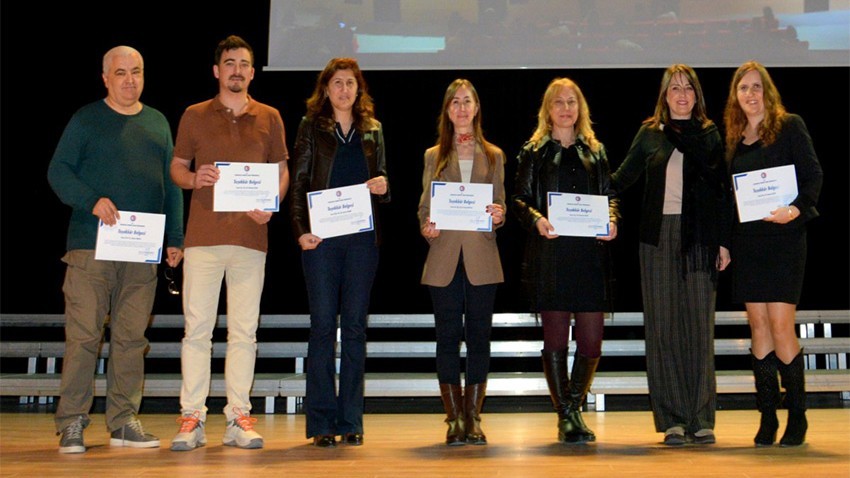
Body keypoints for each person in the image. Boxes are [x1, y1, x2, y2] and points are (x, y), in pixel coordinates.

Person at [47, 45, 184, 453]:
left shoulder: (158, 122)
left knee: (130, 339)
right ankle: (72, 422)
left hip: (141, 251)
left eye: (136, 71)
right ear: (105, 78)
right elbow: (58, 171)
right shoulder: (86, 119)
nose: (129, 79)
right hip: (91, 248)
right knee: (84, 336)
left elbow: (171, 183)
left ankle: (123, 420)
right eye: (121, 72)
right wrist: (91, 200)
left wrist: (175, 237)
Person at [168, 35, 290, 451]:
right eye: (229, 63)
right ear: (217, 70)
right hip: (202, 238)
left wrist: (272, 203)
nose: (237, 70)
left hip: (251, 239)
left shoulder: (270, 116)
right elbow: (176, 167)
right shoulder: (193, 114)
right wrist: (192, 178)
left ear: (252, 73)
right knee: (196, 332)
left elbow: (281, 170)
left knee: (243, 333)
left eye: (243, 64)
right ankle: (192, 417)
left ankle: (239, 416)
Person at [611, 64, 732, 446]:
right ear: (664, 95)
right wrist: (580, 199)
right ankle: (673, 420)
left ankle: (701, 417)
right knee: (662, 328)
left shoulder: (710, 135)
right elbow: (620, 179)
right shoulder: (650, 134)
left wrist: (724, 241)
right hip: (657, 237)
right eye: (674, 88)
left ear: (697, 95)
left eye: (688, 88)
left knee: (699, 327)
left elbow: (723, 192)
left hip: (700, 238)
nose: (682, 95)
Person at [511, 78, 619, 444]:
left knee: (592, 342)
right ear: (548, 109)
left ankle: (571, 407)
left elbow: (610, 195)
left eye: (572, 102)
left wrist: (612, 220)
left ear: (580, 108)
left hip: (589, 257)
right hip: (552, 257)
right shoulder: (534, 151)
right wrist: (537, 220)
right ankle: (568, 416)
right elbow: (519, 199)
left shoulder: (596, 151)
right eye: (559, 102)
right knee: (555, 340)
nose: (566, 108)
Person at [290, 57, 389, 448]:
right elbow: (299, 182)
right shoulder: (310, 127)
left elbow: (382, 180)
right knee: (321, 327)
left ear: (358, 88)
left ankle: (351, 421)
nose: (344, 90)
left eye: (350, 83)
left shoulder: (373, 129)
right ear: (326, 89)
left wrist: (383, 185)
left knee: (354, 328)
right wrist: (300, 230)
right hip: (322, 241)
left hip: (363, 241)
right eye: (337, 83)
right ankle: (321, 423)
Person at [723, 60, 822, 448]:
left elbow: (813, 176)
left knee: (781, 326)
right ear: (735, 96)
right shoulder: (735, 140)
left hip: (784, 239)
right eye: (743, 88)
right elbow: (730, 199)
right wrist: (725, 243)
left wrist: (793, 211)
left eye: (756, 87)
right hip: (749, 243)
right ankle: (768, 415)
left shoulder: (790, 126)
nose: (750, 94)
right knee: (758, 327)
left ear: (768, 91)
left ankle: (797, 415)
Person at [418, 79, 506, 446]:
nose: (462, 108)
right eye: (455, 102)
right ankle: (454, 418)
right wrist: (427, 227)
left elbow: (500, 203)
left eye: (467, 101)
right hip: (444, 256)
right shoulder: (433, 155)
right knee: (447, 337)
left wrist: (498, 215)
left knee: (480, 337)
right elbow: (425, 206)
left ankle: (473, 417)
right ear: (447, 110)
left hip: (482, 257)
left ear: (477, 108)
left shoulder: (494, 155)